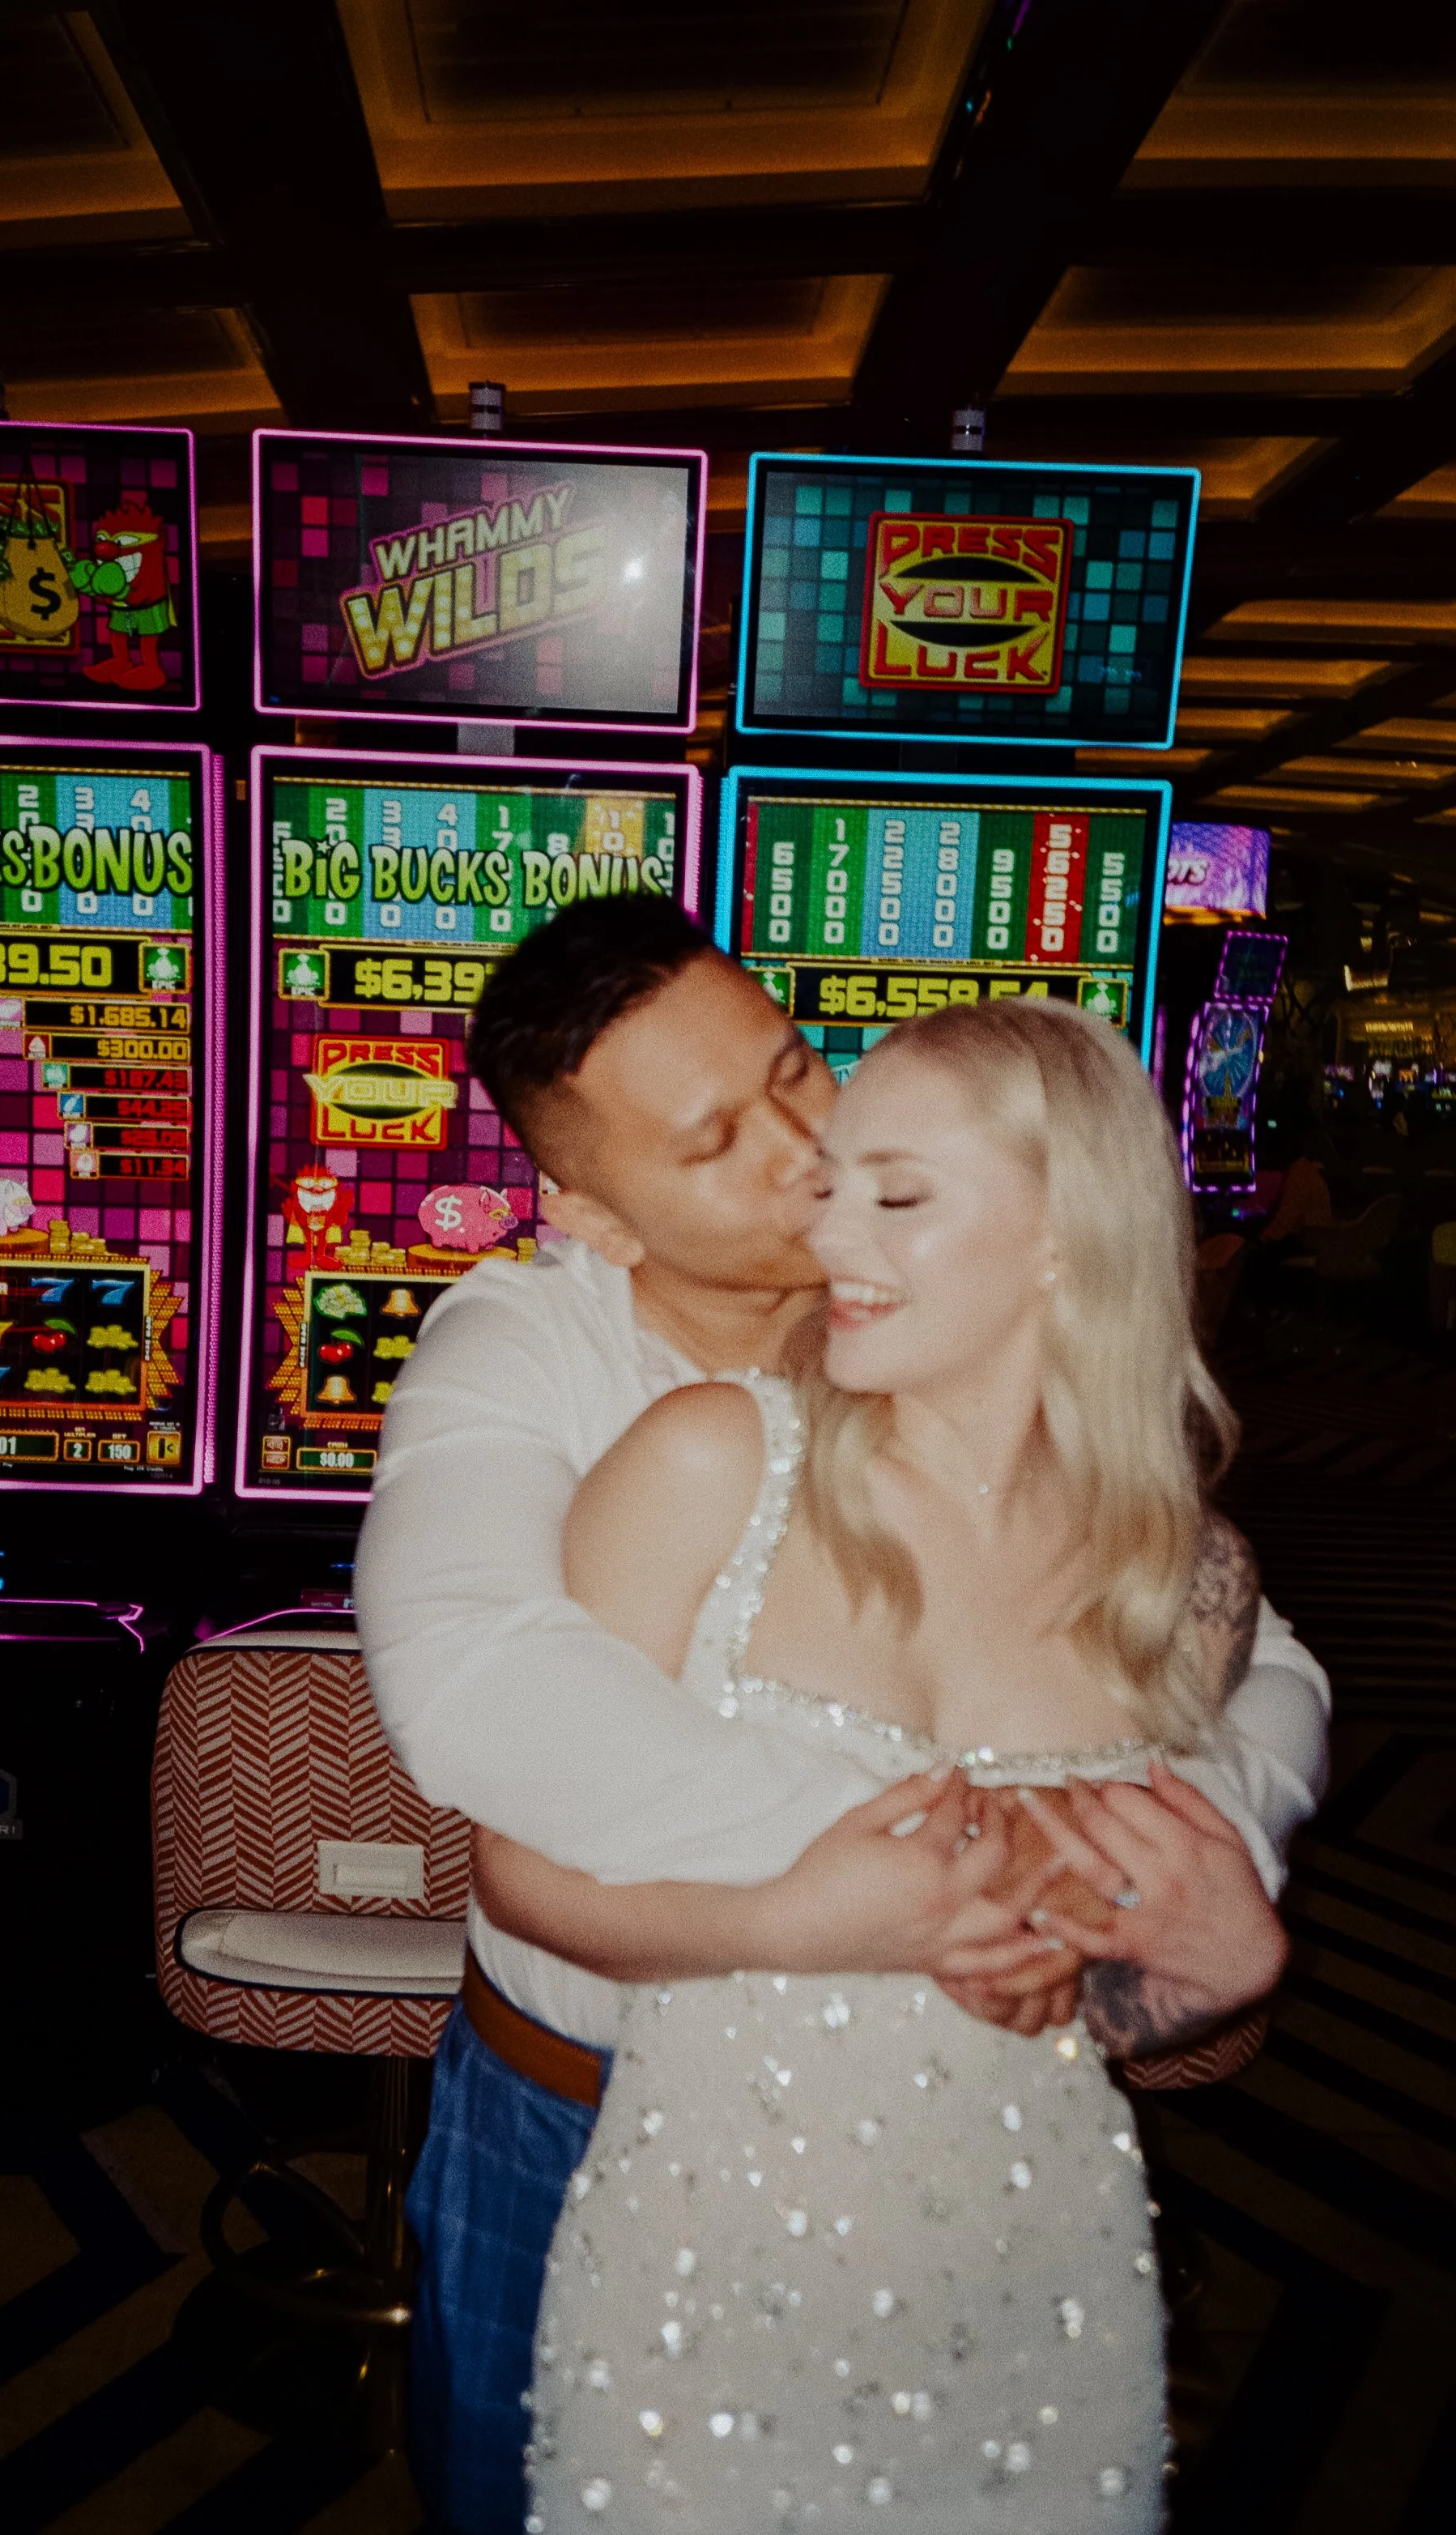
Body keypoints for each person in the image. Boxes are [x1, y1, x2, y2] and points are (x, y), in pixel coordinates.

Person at [353, 901, 1330, 2534]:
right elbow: (475, 1679)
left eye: (797, 1068)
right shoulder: (532, 1344)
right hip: (580, 2089)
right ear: (586, 1210)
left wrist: (1200, 1852)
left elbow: (1253, 1655)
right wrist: (898, 1879)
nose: (810, 1148)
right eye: (717, 1138)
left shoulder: (948, 1314)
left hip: (957, 2124)